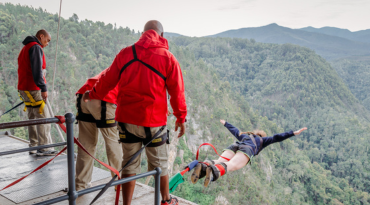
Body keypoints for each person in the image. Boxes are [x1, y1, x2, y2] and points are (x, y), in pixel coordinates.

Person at [83, 20, 187, 205]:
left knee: (129, 165)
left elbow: (107, 80)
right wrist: (180, 117)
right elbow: (176, 92)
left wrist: (93, 93)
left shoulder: (125, 54)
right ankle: (166, 200)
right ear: (161, 35)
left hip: (127, 121)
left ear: (143, 33)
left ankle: (126, 204)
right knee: (160, 164)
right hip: (153, 122)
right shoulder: (168, 58)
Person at [191, 119, 307, 187]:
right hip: (247, 150)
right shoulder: (262, 140)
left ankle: (204, 166)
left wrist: (226, 123)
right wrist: (293, 133)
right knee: (230, 165)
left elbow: (235, 131)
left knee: (219, 161)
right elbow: (277, 137)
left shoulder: (246, 136)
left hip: (235, 145)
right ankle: (212, 171)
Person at [74, 69, 122, 191]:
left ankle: (81, 185)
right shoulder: (137, 72)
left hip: (83, 96)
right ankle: (120, 184)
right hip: (103, 99)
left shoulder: (119, 65)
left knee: (86, 144)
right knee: (113, 142)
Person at [17, 29, 56, 156]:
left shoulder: (25, 48)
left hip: (24, 88)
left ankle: (33, 146)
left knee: (32, 116)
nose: (47, 43)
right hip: (34, 88)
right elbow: (37, 71)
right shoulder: (36, 47)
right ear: (41, 36)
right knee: (43, 117)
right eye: (47, 40)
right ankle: (43, 148)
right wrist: (43, 88)